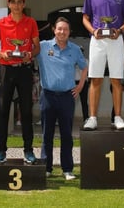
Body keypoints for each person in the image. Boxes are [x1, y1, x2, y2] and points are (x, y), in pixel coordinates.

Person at [82, 0, 124, 131]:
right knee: (95, 78)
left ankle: (118, 117)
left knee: (116, 79)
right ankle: (92, 118)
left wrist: (119, 30)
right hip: (97, 40)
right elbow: (85, 18)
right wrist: (93, 31)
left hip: (115, 39)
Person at [0, 0, 40, 164]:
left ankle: (28, 150)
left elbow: (36, 48)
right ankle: (1, 151)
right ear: (9, 4)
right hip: (7, 70)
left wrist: (29, 54)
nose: (17, 5)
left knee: (26, 111)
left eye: (20, 2)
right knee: (3, 111)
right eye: (13, 2)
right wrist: (2, 54)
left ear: (24, 4)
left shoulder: (31, 22)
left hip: (25, 69)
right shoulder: (1, 23)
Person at [36, 17, 88, 180]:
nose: (62, 32)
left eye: (65, 29)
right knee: (47, 134)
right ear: (54, 30)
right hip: (48, 96)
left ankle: (67, 169)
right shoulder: (43, 46)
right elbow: (27, 50)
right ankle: (47, 167)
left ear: (69, 31)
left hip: (67, 97)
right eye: (59, 29)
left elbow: (85, 67)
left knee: (66, 134)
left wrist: (80, 86)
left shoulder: (74, 49)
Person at [75, 46, 89, 122]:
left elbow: (88, 72)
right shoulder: (72, 60)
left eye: (81, 51)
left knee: (84, 101)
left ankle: (86, 118)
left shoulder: (86, 61)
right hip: (74, 82)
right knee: (70, 102)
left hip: (83, 82)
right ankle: (68, 117)